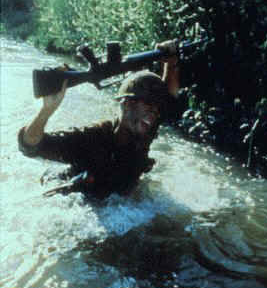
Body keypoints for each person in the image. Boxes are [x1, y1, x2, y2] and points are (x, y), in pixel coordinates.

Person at [18, 40, 180, 199]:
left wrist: (171, 63)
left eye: (157, 108)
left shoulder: (144, 128)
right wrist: (46, 110)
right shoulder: (90, 140)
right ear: (128, 104)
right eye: (149, 104)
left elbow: (169, 98)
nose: (155, 112)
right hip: (78, 198)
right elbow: (30, 145)